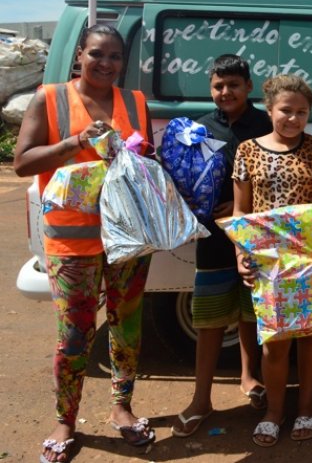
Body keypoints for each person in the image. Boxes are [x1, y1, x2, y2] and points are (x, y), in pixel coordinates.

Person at [13, 24, 154, 463]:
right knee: (74, 335)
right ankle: (65, 419)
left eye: (115, 57)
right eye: (97, 54)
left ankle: (121, 408)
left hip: (125, 236)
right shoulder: (50, 97)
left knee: (126, 327)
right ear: (79, 55)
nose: (106, 63)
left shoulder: (134, 101)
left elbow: (141, 156)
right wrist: (75, 142)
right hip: (72, 240)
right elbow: (22, 162)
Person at [233, 75, 312, 446]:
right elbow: (240, 212)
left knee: (310, 339)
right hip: (269, 262)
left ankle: (308, 407)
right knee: (274, 342)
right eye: (285, 111)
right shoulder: (247, 150)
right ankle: (274, 412)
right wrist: (240, 256)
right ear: (268, 108)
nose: (293, 119)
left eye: (301, 112)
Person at [171, 55, 273, 437]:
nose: (225, 92)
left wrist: (242, 206)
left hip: (254, 237)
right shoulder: (199, 128)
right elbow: (188, 175)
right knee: (210, 319)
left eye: (233, 85)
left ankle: (250, 378)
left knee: (252, 314)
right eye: (218, 86)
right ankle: (201, 399)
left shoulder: (265, 125)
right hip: (213, 239)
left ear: (249, 86)